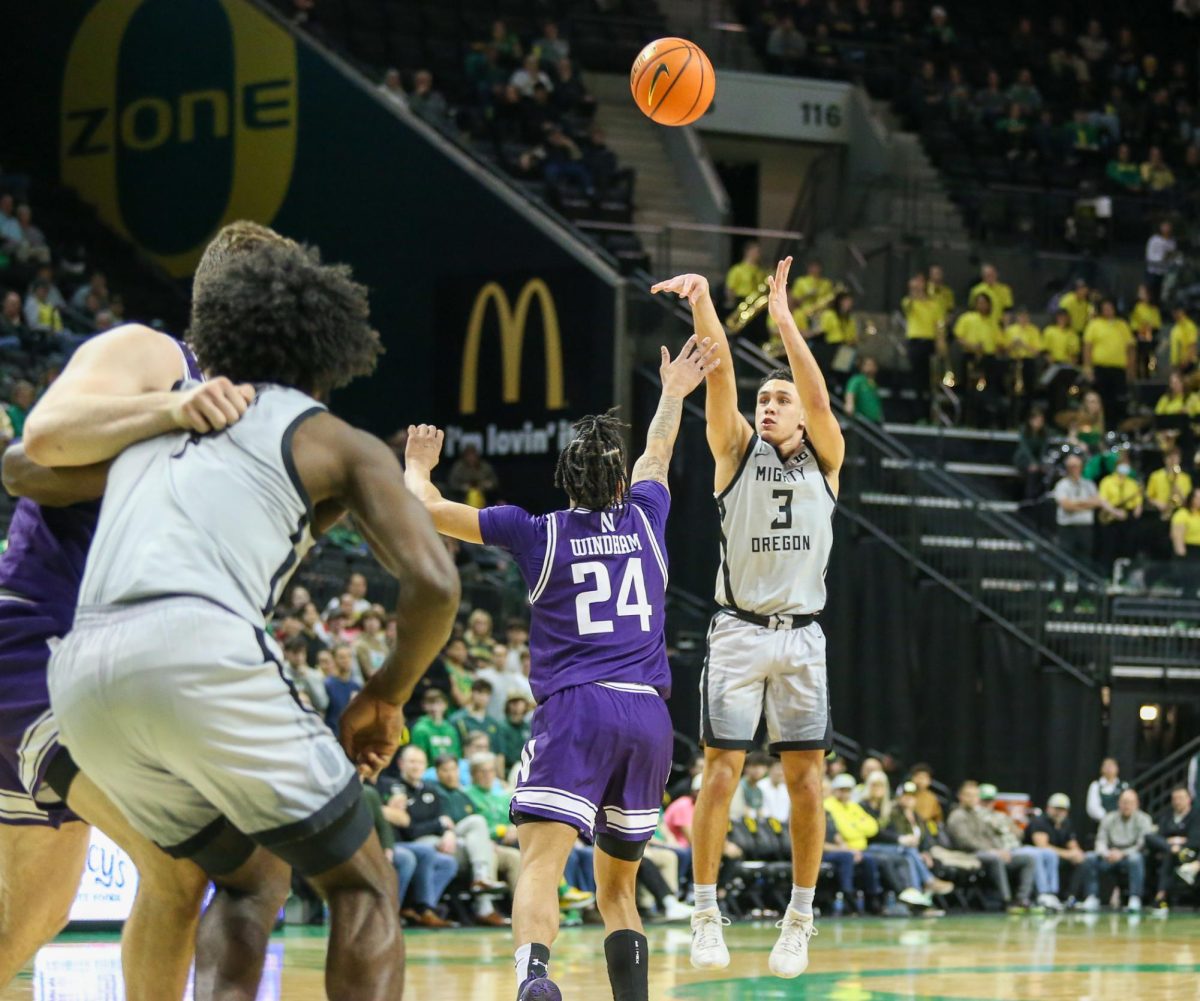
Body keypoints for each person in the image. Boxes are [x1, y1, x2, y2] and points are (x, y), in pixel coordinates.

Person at [45, 238, 461, 1000]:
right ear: (327, 346)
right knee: (364, 882)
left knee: (250, 876)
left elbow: (25, 467)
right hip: (197, 645)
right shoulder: (328, 436)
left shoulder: (158, 419)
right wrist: (386, 692)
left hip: (80, 676)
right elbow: (435, 582)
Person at [0, 223, 311, 995]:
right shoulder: (154, 356)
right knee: (179, 860)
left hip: (110, 681)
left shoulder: (258, 419)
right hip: (38, 644)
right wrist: (169, 415)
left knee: (25, 927)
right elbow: (35, 444)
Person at [403, 331, 716, 1001]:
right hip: (649, 717)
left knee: (541, 862)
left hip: (579, 707)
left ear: (564, 476)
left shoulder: (534, 530)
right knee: (618, 888)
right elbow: (659, 450)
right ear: (620, 478)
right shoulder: (649, 516)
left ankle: (533, 978)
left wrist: (419, 467)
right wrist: (671, 393)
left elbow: (426, 512)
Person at [654, 257, 844, 980]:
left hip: (802, 635)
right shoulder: (734, 451)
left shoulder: (826, 455)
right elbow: (724, 370)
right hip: (738, 632)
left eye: (780, 399)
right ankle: (705, 910)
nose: (768, 404)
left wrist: (787, 321)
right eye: (764, 397)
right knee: (720, 772)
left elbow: (821, 399)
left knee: (807, 782)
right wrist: (705, 301)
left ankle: (799, 918)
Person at [946, 782, 1036, 912]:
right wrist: (992, 851)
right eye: (968, 795)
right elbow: (965, 842)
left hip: (988, 852)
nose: (972, 799)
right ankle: (1006, 900)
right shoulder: (957, 815)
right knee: (995, 858)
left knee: (1028, 859)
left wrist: (1001, 850)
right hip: (967, 855)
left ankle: (1022, 899)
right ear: (960, 797)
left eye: (975, 795)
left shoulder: (978, 816)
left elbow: (990, 836)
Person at [1080, 789, 1154, 912]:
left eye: (1130, 802)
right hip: (1109, 856)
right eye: (1124, 802)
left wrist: (1122, 854)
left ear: (1136, 804)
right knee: (1089, 857)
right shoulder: (1109, 818)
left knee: (1136, 858)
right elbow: (1100, 840)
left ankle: (1134, 898)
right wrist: (1106, 853)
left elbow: (1142, 844)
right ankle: (1092, 896)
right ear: (1119, 803)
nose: (1126, 806)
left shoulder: (1144, 819)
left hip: (1129, 856)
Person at [1025, 793, 1085, 907]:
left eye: (1062, 809)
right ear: (1048, 808)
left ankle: (1070, 897)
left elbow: (1072, 844)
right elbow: (1042, 846)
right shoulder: (1039, 821)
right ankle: (1047, 893)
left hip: (1058, 856)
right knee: (1050, 856)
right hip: (1037, 857)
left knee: (1082, 860)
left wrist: (1077, 853)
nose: (1059, 812)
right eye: (1056, 808)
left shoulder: (1066, 823)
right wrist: (1068, 854)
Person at [1145, 785, 1199, 910]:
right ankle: (1158, 897)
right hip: (1171, 852)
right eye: (1175, 798)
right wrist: (1173, 844)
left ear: (1188, 799)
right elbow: (1158, 836)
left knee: (1169, 854)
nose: (1177, 801)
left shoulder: (1196, 815)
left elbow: (1195, 840)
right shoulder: (1167, 815)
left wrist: (1175, 842)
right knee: (1149, 837)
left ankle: (1160, 897)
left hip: (1190, 854)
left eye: (1181, 798)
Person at [1083, 300, 1136, 423]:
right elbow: (1087, 346)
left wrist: (1131, 368)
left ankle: (1116, 428)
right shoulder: (1094, 324)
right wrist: (1087, 367)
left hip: (1118, 369)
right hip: (1100, 369)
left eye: (1109, 307)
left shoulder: (1122, 325)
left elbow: (1131, 348)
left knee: (1119, 400)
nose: (1107, 310)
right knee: (1101, 400)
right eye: (1105, 308)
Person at [901, 274, 942, 417]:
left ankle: (929, 412)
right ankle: (917, 414)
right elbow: (908, 306)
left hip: (929, 343)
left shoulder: (934, 304)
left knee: (929, 380)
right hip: (915, 342)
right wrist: (914, 290)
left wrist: (939, 344)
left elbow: (938, 326)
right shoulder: (909, 301)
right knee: (916, 379)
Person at [411, 688, 463, 762]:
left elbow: (457, 753)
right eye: (430, 703)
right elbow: (418, 756)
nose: (434, 708)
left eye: (438, 703)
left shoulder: (450, 729)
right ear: (424, 705)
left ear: (446, 705)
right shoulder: (420, 729)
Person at [449, 678, 502, 751]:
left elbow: (499, 752)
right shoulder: (457, 720)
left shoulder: (493, 723)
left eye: (487, 694)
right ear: (472, 693)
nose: (483, 697)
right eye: (480, 692)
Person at [1129, 284, 1162, 379]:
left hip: (1151, 337)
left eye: (1143, 292)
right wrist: (1139, 333)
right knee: (1139, 357)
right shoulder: (1137, 307)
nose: (1140, 294)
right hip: (1139, 337)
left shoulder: (1154, 309)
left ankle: (1151, 375)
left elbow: (1157, 323)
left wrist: (1150, 330)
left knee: (1151, 358)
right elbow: (1133, 323)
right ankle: (1139, 376)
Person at [724, 240, 767, 309]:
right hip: (741, 300)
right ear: (748, 252)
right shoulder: (737, 269)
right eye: (756, 251)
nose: (758, 254)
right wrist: (731, 302)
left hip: (756, 302)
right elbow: (730, 288)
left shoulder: (761, 271)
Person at [1086, 758, 1130, 824]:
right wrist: (1108, 818)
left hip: (1121, 823)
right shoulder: (1096, 785)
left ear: (1117, 769)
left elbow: (1128, 804)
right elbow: (1092, 807)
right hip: (1101, 823)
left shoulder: (1124, 786)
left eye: (1112, 766)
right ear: (1102, 769)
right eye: (1106, 766)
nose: (1109, 769)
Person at [844, 355, 883, 423]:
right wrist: (849, 404)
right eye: (868, 364)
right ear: (862, 366)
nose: (870, 367)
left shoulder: (874, 383)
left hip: (875, 420)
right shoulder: (857, 380)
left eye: (873, 365)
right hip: (862, 420)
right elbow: (850, 393)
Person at [1145, 220, 1177, 301]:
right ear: (1160, 227)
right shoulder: (1154, 240)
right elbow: (1149, 257)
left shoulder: (1172, 241)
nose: (1166, 229)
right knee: (1151, 295)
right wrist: (1162, 258)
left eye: (1168, 226)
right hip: (1153, 272)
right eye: (1164, 226)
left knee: (1162, 296)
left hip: (1165, 273)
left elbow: (1172, 257)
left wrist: (1172, 260)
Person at [1168, 306, 1197, 371]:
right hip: (1177, 364)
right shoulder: (1175, 328)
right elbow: (1174, 347)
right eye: (1173, 312)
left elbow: (1192, 346)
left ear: (1182, 312)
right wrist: (1173, 363)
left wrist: (1186, 362)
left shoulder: (1190, 326)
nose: (1174, 314)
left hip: (1188, 363)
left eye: (1176, 312)